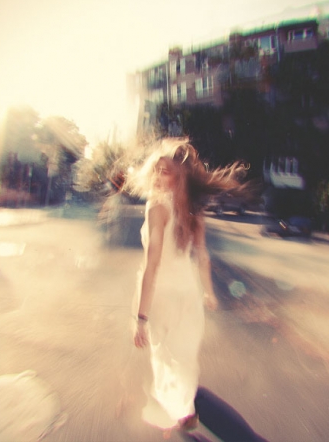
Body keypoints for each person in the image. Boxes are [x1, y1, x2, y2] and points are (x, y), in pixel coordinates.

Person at [130, 138, 245, 434]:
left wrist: (141, 317)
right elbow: (201, 255)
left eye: (165, 171)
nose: (157, 176)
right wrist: (207, 292)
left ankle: (181, 411)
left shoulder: (157, 208)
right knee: (183, 358)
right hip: (188, 294)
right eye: (156, 169)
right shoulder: (193, 210)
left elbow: (152, 265)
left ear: (179, 177)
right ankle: (185, 410)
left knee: (165, 357)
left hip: (164, 298)